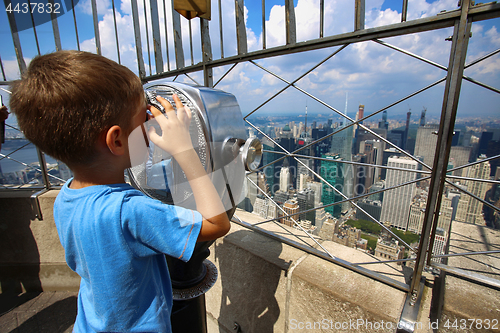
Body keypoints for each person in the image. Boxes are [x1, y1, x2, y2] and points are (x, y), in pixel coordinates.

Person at [9, 50, 230, 332]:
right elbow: (216, 223)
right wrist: (185, 150)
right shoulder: (131, 212)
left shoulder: (66, 197)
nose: (152, 130)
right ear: (116, 140)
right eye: (144, 121)